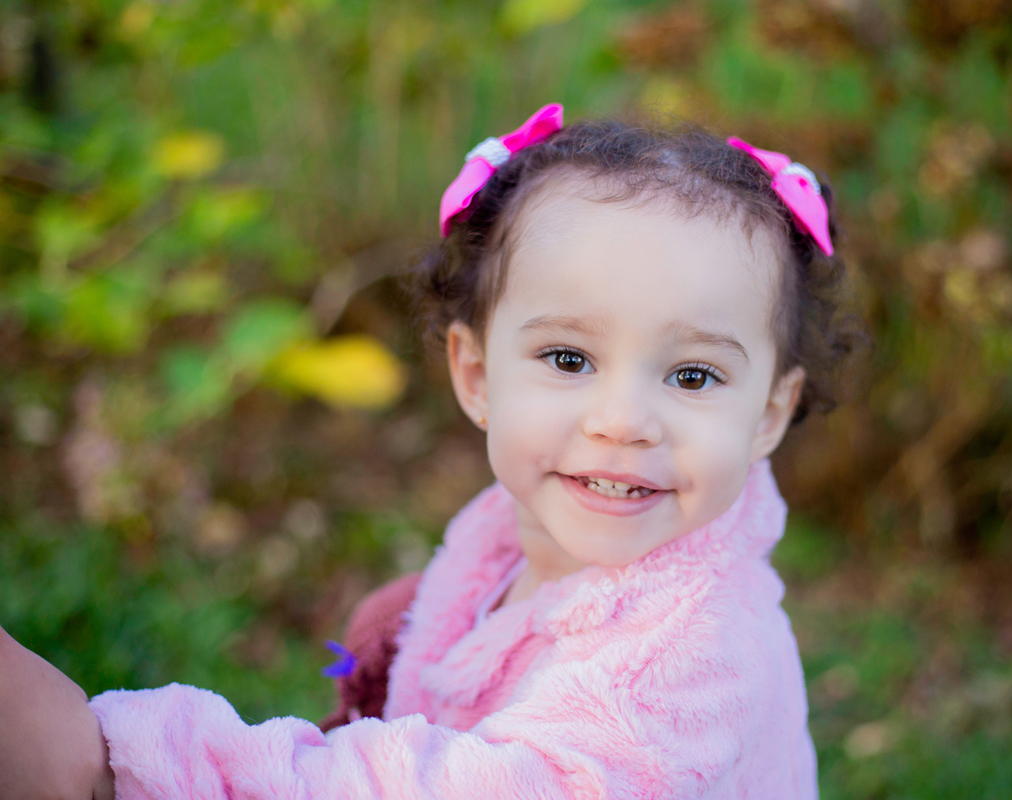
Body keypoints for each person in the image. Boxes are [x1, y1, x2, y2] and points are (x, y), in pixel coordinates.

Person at [0, 102, 857, 800]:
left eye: (694, 375)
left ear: (769, 413)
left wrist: (122, 766)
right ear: (477, 376)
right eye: (569, 359)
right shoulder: (529, 531)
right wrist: (420, 633)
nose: (624, 421)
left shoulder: (695, 664)